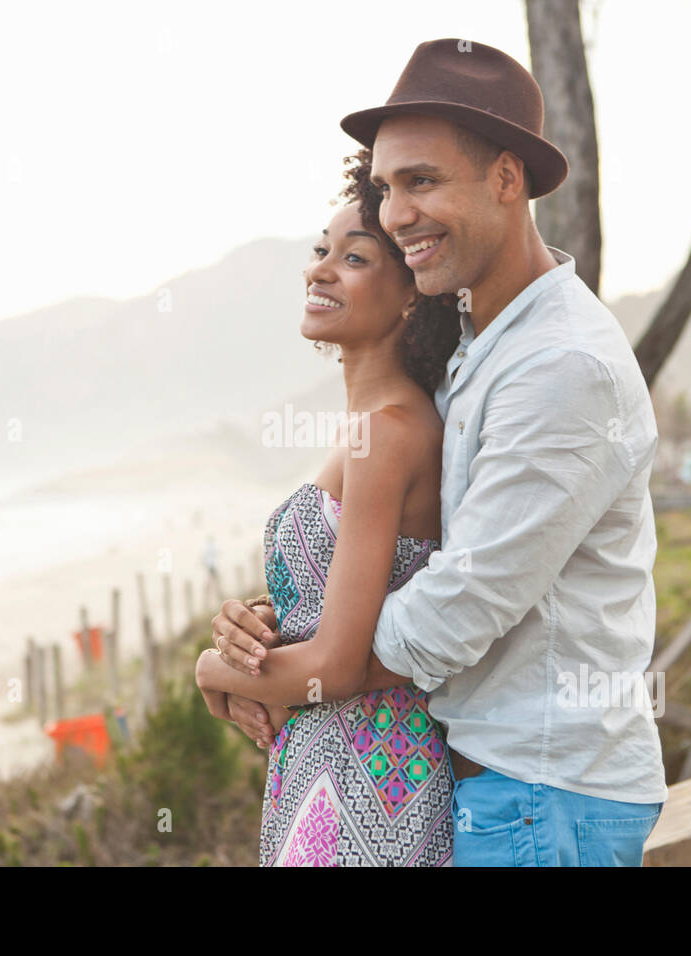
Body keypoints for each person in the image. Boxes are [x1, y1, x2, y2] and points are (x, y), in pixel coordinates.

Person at [210, 39, 667, 867]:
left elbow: (459, 605)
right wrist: (291, 633)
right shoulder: (476, 346)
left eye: (421, 181)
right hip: (493, 791)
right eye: (386, 188)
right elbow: (416, 556)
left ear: (505, 179)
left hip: (541, 795)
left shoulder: (562, 365)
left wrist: (288, 666)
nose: (395, 214)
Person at [194, 153, 460, 866]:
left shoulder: (388, 433)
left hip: (366, 774)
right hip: (338, 769)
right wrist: (254, 628)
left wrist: (211, 673)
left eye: (355, 258)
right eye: (320, 252)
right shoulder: (379, 426)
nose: (320, 270)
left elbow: (337, 666)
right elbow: (339, 611)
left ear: (410, 295)